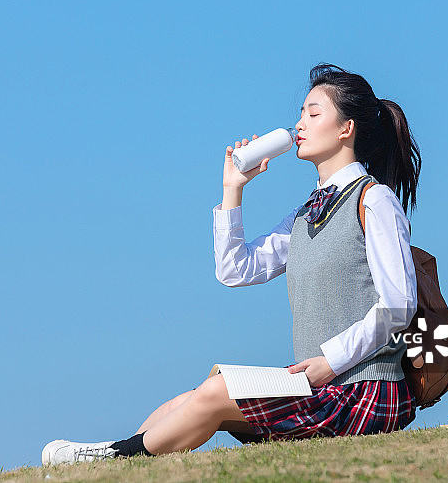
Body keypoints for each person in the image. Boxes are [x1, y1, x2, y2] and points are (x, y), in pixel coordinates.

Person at [42, 63, 422, 466]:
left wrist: (330, 362)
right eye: (301, 115)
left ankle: (112, 456)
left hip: (363, 392)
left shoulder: (374, 200)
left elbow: (398, 306)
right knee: (193, 397)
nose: (300, 124)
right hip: (316, 388)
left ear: (346, 129)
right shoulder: (305, 214)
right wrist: (232, 189)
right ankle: (114, 458)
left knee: (214, 392)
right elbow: (234, 270)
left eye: (313, 113)